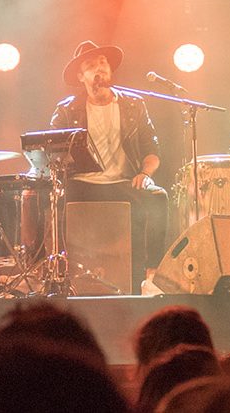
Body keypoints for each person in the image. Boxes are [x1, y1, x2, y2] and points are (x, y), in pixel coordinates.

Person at [51, 40, 168, 293]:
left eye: (103, 63)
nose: (99, 69)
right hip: (82, 183)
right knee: (52, 201)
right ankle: (58, 274)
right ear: (81, 76)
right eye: (91, 66)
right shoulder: (68, 109)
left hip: (123, 182)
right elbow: (51, 151)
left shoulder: (133, 105)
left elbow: (152, 150)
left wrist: (145, 174)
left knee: (159, 197)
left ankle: (152, 275)